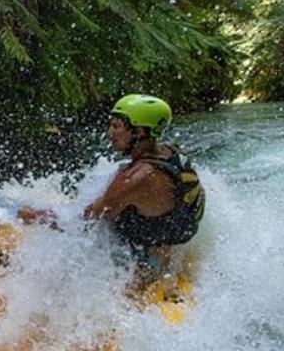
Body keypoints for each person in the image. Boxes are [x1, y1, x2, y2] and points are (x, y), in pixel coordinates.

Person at [83, 94, 205, 270]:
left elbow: (90, 218)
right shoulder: (170, 151)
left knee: (105, 218)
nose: (109, 133)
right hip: (179, 230)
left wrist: (44, 218)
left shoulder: (136, 179)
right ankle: (165, 255)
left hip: (148, 257)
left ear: (139, 132)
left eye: (116, 126)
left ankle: (150, 272)